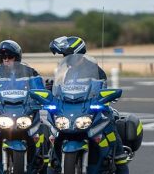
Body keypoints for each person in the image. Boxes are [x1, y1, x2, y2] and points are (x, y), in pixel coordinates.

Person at [48, 36, 129, 174]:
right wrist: (51, 88)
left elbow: (102, 89)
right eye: (64, 56)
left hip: (90, 108)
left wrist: (105, 96)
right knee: (54, 133)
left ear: (77, 54)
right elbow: (60, 89)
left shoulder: (95, 70)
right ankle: (53, 161)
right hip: (72, 109)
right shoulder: (66, 72)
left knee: (109, 122)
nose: (64, 58)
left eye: (66, 55)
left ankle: (119, 156)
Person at [0, 40, 46, 173]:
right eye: (3, 57)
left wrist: (38, 102)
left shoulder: (31, 73)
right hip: (1, 112)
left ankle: (42, 160)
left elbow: (40, 90)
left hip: (25, 112)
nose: (6, 60)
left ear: (17, 57)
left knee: (46, 129)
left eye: (9, 57)